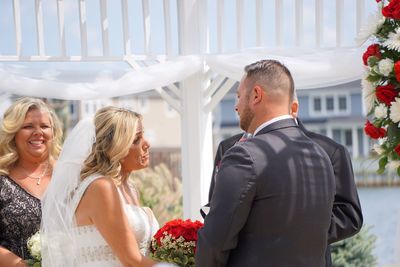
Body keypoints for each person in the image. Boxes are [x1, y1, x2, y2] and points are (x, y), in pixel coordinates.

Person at [196, 60, 335, 267]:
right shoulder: (321, 155)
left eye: (239, 96)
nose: (236, 106)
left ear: (256, 95)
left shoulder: (244, 155)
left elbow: (216, 240)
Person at [41, 106, 171, 267]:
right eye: (136, 139)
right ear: (117, 147)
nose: (147, 144)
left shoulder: (131, 189)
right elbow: (130, 259)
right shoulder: (101, 187)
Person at [0, 97, 63, 267]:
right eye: (28, 126)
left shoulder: (70, 175)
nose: (38, 132)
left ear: (54, 132)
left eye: (44, 126)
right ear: (13, 133)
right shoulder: (2, 180)